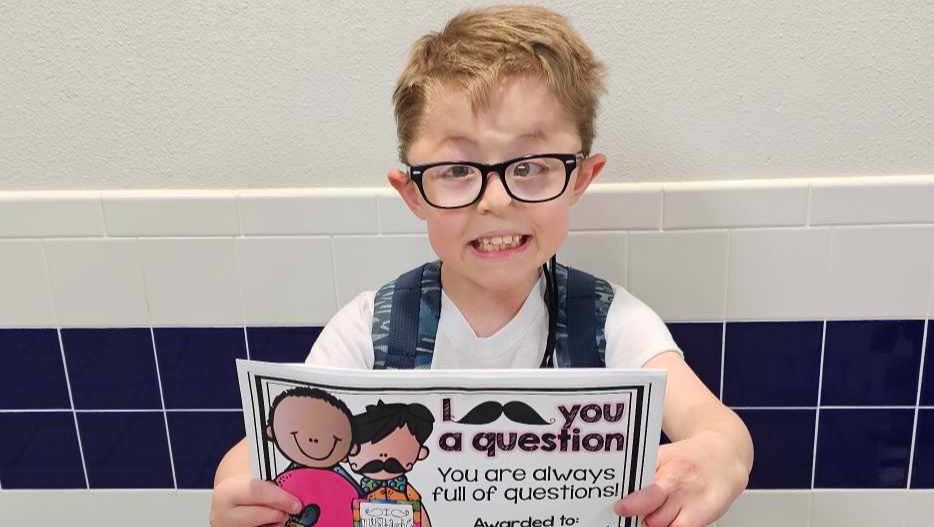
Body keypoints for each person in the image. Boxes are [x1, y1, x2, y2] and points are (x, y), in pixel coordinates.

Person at [211, 6, 753, 527]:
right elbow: (264, 451)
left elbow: (720, 431)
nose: (496, 200)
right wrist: (238, 488)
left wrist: (716, 457)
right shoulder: (368, 330)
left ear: (581, 179)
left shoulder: (613, 324)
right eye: (455, 170)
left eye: (532, 166)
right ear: (412, 193)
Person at [348, 400, 435, 527]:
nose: (383, 455)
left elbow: (420, 516)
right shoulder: (355, 490)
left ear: (420, 453)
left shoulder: (408, 492)